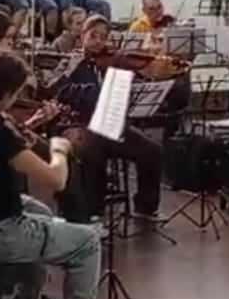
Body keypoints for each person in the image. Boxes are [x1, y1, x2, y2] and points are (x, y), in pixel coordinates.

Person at [0, 49, 101, 299]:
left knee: (41, 212)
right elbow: (56, 180)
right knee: (87, 240)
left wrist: (32, 125)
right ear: (4, 94)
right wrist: (60, 148)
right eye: (15, 94)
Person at [61, 16, 166, 222]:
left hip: (110, 124)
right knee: (92, 151)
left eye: (103, 37)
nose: (98, 42)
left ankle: (145, 207)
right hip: (79, 125)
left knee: (152, 150)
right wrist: (92, 88)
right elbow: (60, 90)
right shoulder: (71, 62)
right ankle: (94, 213)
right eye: (93, 36)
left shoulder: (111, 61)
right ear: (82, 35)